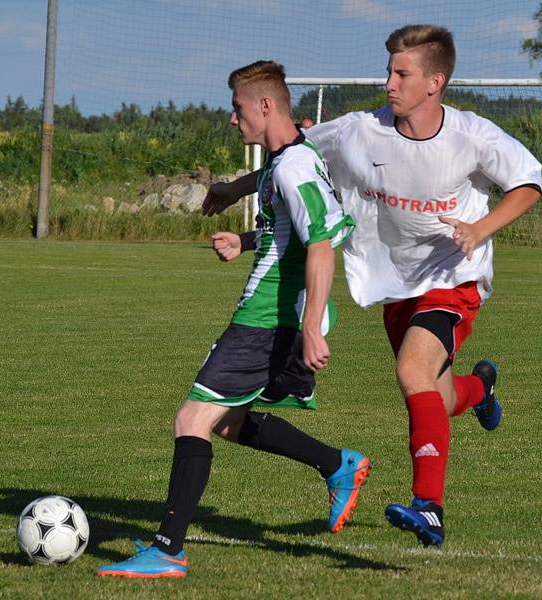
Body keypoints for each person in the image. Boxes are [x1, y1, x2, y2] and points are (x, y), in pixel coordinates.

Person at [202, 25, 542, 548]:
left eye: (401, 73)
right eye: (388, 71)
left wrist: (479, 229)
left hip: (454, 279)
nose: (389, 83)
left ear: (435, 82)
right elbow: (293, 154)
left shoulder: (472, 135)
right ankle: (481, 389)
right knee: (439, 393)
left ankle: (429, 506)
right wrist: (233, 189)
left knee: (412, 371)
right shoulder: (360, 130)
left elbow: (528, 181)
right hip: (395, 288)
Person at [96, 61, 368, 579]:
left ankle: (168, 550)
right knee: (227, 421)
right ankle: (338, 465)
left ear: (265, 106)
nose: (231, 118)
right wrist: (241, 232)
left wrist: (311, 325)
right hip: (272, 315)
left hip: (266, 319)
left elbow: (322, 245)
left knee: (191, 419)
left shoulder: (294, 168)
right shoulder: (289, 160)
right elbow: (283, 222)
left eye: (237, 107)